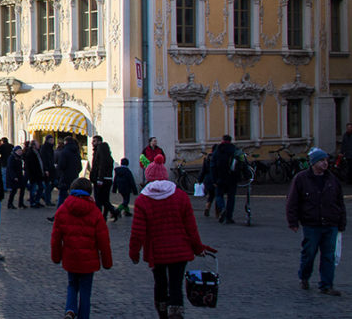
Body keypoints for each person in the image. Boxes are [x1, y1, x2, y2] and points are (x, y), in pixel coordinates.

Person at [129, 157, 216, 319]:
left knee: (160, 284)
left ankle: (162, 312)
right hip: (180, 250)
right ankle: (176, 314)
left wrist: (134, 253)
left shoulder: (143, 200)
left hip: (157, 251)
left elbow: (137, 232)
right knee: (176, 285)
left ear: (148, 178)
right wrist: (198, 248)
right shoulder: (180, 196)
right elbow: (191, 227)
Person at [286, 148, 347, 295]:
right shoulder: (301, 179)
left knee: (328, 256)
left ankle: (326, 285)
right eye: (321, 161)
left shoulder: (332, 179)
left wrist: (341, 222)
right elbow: (292, 201)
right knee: (309, 253)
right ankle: (304, 277)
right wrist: (293, 221)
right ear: (313, 163)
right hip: (311, 224)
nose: (325, 164)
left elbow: (339, 202)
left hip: (330, 223)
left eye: (326, 160)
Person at [51, 178, 113, 319]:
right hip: (88, 260)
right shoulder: (95, 212)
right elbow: (104, 240)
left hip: (70, 257)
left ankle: (70, 310)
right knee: (85, 292)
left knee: (72, 285)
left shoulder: (63, 210)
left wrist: (56, 257)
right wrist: (107, 262)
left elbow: (56, 237)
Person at [211, 135, 239, 224]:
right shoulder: (235, 150)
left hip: (220, 177)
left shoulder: (217, 150)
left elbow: (213, 166)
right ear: (230, 141)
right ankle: (229, 217)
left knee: (219, 195)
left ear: (222, 140)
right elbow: (241, 163)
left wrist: (214, 179)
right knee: (231, 197)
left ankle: (222, 208)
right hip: (232, 178)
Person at [89, 137, 117, 220]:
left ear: (99, 142)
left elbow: (101, 165)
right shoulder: (107, 153)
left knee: (99, 200)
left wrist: (99, 179)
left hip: (101, 179)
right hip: (107, 179)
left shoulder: (100, 150)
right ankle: (106, 215)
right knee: (105, 199)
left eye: (94, 141)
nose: (92, 143)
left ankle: (101, 216)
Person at [55, 137, 82, 208]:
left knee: (62, 195)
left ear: (66, 142)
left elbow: (61, 165)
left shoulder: (64, 152)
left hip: (65, 177)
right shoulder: (77, 152)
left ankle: (59, 213)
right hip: (74, 176)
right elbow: (80, 167)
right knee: (73, 195)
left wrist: (60, 173)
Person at [24, 141, 45, 208]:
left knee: (41, 187)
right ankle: (33, 202)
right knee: (33, 188)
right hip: (34, 175)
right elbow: (29, 166)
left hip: (39, 174)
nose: (39, 145)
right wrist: (31, 175)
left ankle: (37, 201)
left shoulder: (37, 152)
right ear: (33, 146)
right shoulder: (30, 154)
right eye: (37, 144)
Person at [41, 135, 57, 206]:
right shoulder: (44, 148)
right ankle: (47, 200)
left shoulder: (51, 148)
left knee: (54, 183)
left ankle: (45, 196)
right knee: (48, 184)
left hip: (52, 168)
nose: (52, 141)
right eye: (51, 140)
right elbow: (44, 160)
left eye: (53, 140)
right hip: (47, 169)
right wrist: (46, 169)